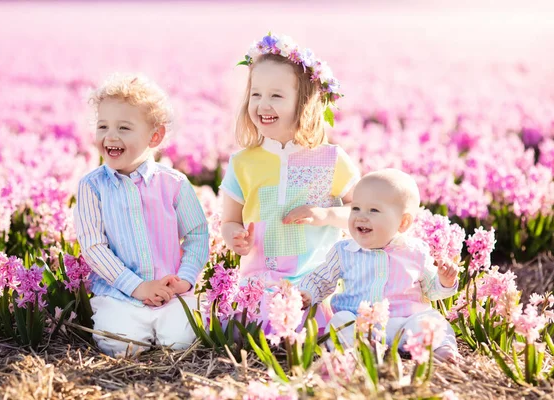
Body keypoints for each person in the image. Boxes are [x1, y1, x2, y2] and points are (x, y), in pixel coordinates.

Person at [74, 73, 209, 357]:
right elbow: (93, 247)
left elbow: (197, 235)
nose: (110, 136)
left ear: (154, 136)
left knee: (183, 341)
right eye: (103, 126)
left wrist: (184, 279)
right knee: (120, 344)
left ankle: (164, 328)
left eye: (124, 127)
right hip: (120, 295)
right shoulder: (91, 187)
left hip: (171, 292)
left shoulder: (174, 183)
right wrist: (136, 287)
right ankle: (139, 331)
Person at [220, 33, 359, 292]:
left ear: (304, 103)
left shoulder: (331, 159)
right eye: (256, 94)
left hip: (316, 285)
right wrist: (234, 237)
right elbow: (229, 221)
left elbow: (361, 211)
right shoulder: (242, 163)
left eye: (276, 96)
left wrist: (326, 214)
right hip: (258, 284)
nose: (263, 104)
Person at [299, 168, 459, 362]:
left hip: (405, 324)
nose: (361, 216)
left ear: (403, 222)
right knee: (341, 322)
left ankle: (442, 349)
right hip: (361, 324)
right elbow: (320, 279)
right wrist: (308, 293)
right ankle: (361, 351)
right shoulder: (343, 251)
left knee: (432, 321)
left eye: (373, 210)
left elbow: (432, 291)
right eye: (355, 208)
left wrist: (444, 281)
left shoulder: (415, 251)